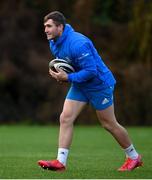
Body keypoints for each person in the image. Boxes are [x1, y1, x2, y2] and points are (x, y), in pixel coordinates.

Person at [38, 11, 143, 172]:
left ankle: (134, 157)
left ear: (60, 27)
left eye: (49, 26)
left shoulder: (78, 43)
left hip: (99, 85)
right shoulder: (54, 42)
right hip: (81, 85)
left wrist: (69, 77)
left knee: (108, 124)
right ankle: (60, 162)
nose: (45, 30)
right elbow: (69, 66)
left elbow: (91, 71)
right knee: (65, 118)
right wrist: (62, 76)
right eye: (45, 26)